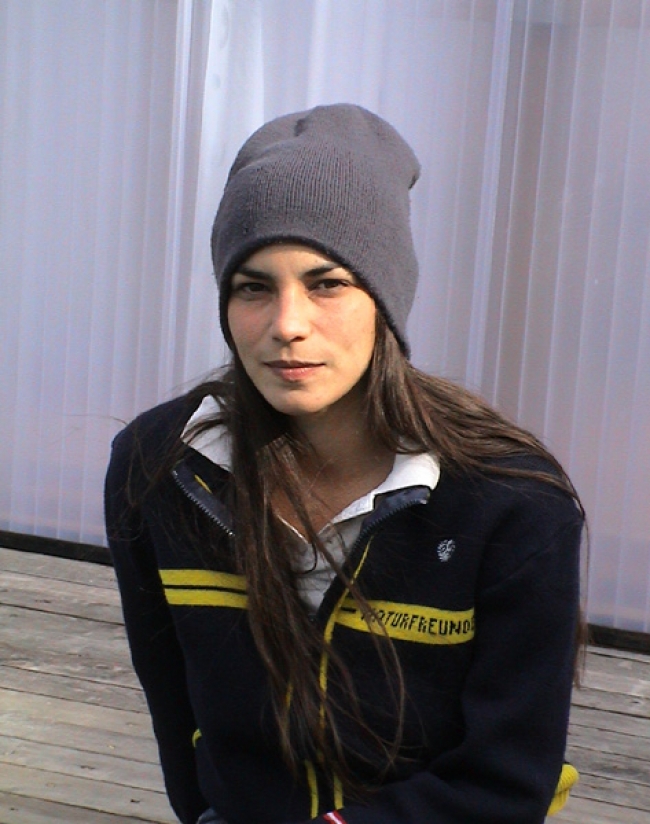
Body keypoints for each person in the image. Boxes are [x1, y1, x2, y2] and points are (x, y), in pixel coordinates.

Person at [105, 104, 584, 824]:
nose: (287, 325)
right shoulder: (158, 466)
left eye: (326, 283)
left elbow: (507, 781)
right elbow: (178, 720)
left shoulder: (512, 501)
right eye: (252, 286)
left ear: (385, 299)